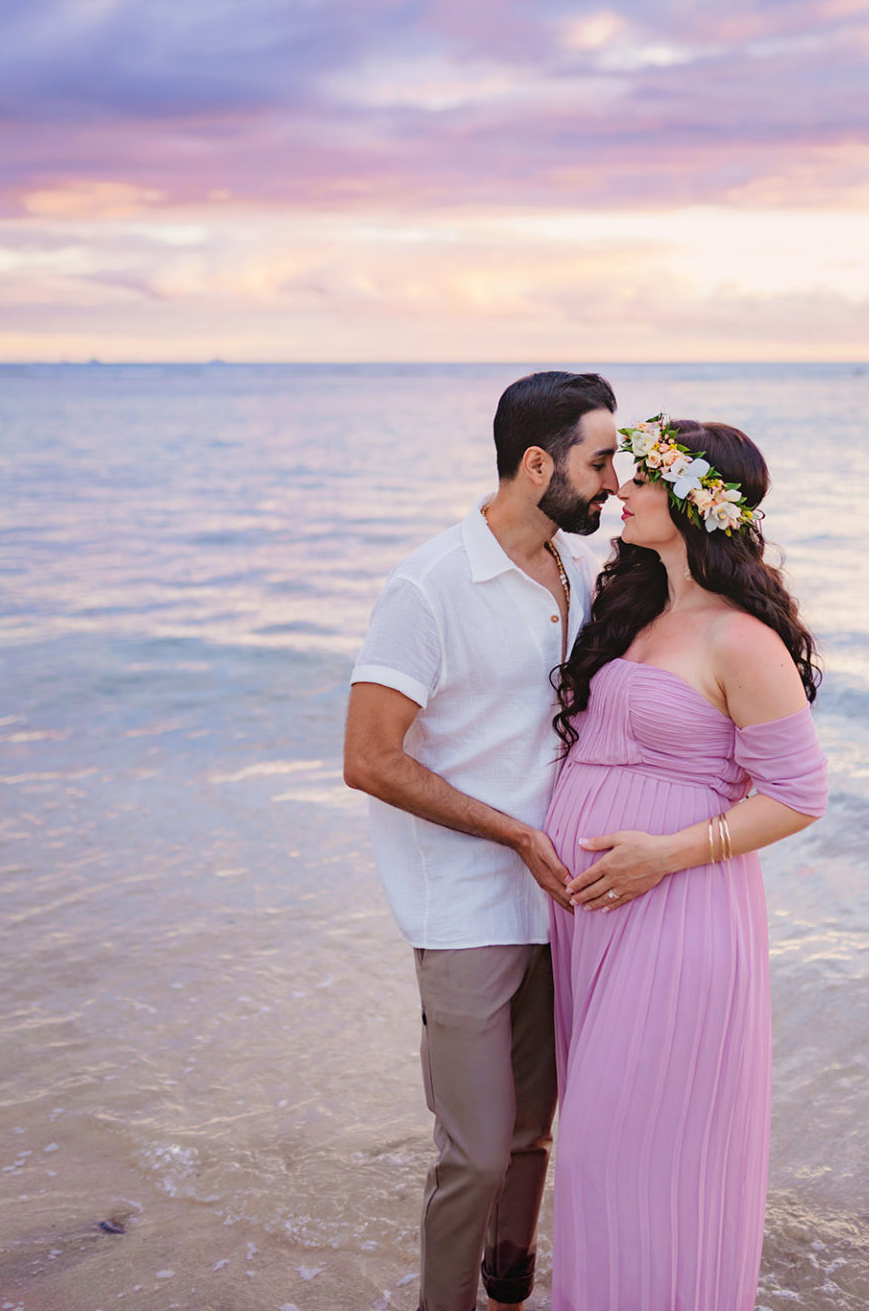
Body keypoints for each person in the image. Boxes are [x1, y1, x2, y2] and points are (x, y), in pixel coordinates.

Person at [343, 370, 619, 1311]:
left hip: (565, 899)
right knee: (471, 1150)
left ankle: (511, 1279)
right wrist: (511, 834)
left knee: (533, 1134)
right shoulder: (429, 585)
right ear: (537, 463)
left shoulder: (585, 572)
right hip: (463, 904)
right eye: (602, 460)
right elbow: (371, 759)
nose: (616, 482)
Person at [546, 415, 828, 1311]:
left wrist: (663, 856)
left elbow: (798, 794)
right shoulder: (628, 606)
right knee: (599, 1162)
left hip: (677, 916)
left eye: (641, 480)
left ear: (699, 501)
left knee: (613, 1143)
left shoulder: (740, 637)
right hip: (592, 916)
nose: (617, 492)